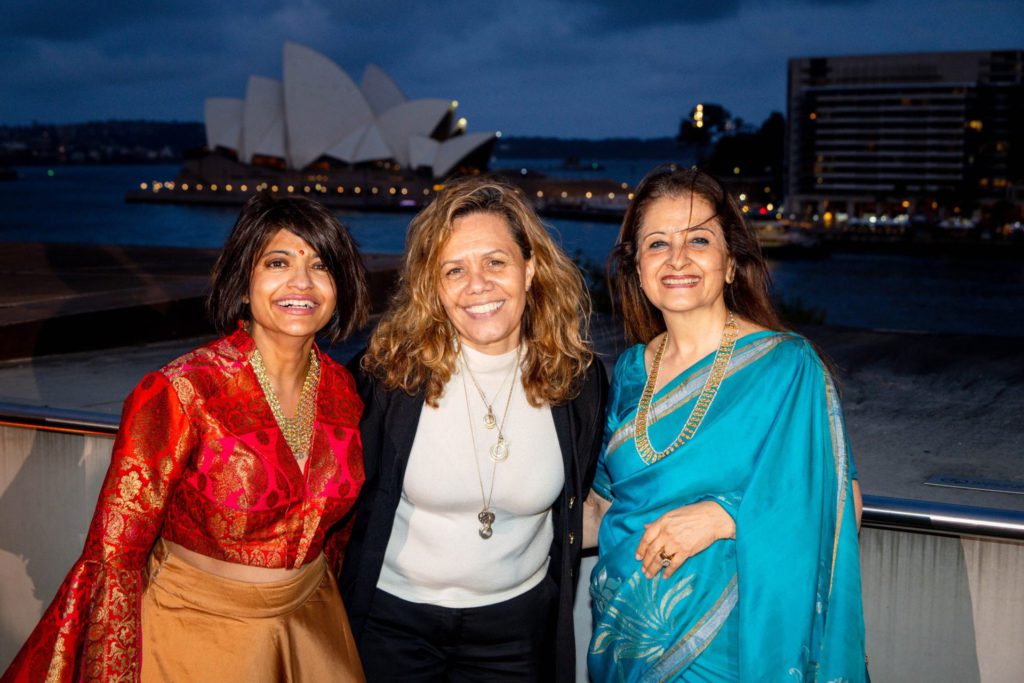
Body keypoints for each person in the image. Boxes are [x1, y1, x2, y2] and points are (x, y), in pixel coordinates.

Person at [2, 194, 370, 682]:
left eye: (320, 266)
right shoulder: (183, 391)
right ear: (243, 284)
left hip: (313, 625)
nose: (301, 282)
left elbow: (336, 535)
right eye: (277, 262)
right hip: (194, 634)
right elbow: (115, 557)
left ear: (339, 287)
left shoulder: (344, 389)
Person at [583, 165, 867, 682]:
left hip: (733, 646)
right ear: (637, 268)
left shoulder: (786, 368)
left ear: (731, 263)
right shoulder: (628, 372)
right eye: (657, 244)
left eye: (699, 240)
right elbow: (604, 504)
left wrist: (725, 517)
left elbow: (841, 505)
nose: (678, 259)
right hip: (622, 637)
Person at [340, 176, 608, 682]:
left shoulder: (578, 380)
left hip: (517, 631)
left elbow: (589, 494)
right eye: (454, 270)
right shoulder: (389, 375)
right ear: (433, 288)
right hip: (392, 626)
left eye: (496, 261)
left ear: (530, 269)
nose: (477, 285)